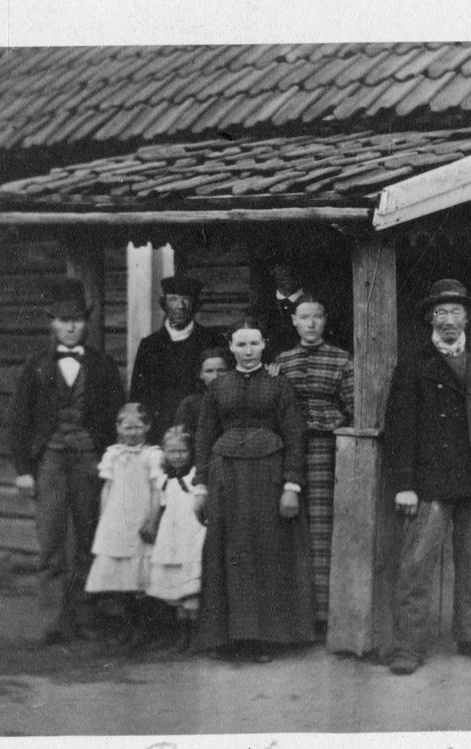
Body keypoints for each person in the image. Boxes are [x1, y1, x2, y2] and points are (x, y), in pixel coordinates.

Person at [383, 279, 471, 675]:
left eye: (455, 312)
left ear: (467, 318)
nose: (448, 320)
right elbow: (400, 429)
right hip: (430, 483)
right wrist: (404, 484)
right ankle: (409, 646)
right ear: (430, 319)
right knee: (416, 565)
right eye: (440, 313)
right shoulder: (413, 366)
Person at [8, 279, 127, 646]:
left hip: (90, 459)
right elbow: (19, 420)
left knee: (89, 538)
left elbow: (114, 418)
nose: (70, 327)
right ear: (52, 324)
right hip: (51, 460)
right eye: (63, 320)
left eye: (76, 320)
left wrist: (114, 465)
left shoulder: (103, 365)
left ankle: (86, 616)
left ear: (86, 323)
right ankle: (53, 622)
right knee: (51, 540)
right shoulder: (36, 366)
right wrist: (24, 471)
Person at [192, 319, 316, 662]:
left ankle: (265, 638)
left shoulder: (280, 386)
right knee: (228, 552)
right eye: (241, 345)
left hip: (268, 475)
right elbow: (204, 437)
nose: (248, 351)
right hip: (225, 476)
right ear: (231, 348)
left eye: (254, 344)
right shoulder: (218, 388)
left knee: (266, 552)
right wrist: (200, 486)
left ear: (264, 346)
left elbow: (294, 436)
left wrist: (292, 485)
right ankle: (228, 638)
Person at [270, 296, 354, 630]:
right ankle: (292, 612)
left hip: (323, 447)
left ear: (324, 321)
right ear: (294, 321)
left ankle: (321, 614)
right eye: (304, 317)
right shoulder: (282, 362)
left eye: (316, 317)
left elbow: (353, 407)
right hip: (288, 447)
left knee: (320, 527)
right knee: (289, 525)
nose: (310, 324)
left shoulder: (342, 360)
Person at [85, 403, 166, 648]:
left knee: (140, 573)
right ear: (118, 428)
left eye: (138, 427)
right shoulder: (113, 454)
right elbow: (107, 489)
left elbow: (156, 489)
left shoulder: (153, 454)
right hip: (117, 520)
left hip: (140, 517)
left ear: (148, 427)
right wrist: (103, 521)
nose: (132, 432)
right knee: (122, 578)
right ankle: (127, 625)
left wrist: (152, 519)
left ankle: (144, 629)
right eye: (127, 427)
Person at [129, 275, 224, 443]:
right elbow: (137, 395)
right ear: (164, 304)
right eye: (173, 299)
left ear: (195, 305)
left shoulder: (211, 340)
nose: (180, 306)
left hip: (201, 430)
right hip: (159, 433)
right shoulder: (150, 345)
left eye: (186, 299)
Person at [145, 425, 205, 652]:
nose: (177, 456)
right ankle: (183, 635)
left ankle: (196, 635)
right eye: (172, 452)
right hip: (172, 539)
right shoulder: (163, 480)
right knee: (176, 588)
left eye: (182, 451)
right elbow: (159, 506)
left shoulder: (196, 476)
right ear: (164, 454)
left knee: (191, 588)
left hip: (192, 536)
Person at [172, 347, 230, 439]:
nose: (216, 376)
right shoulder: (190, 404)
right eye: (209, 371)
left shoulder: (238, 400)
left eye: (222, 370)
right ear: (200, 374)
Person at [255, 261, 306, 363]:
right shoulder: (261, 306)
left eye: (293, 265)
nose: (288, 271)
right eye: (282, 265)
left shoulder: (316, 304)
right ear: (271, 270)